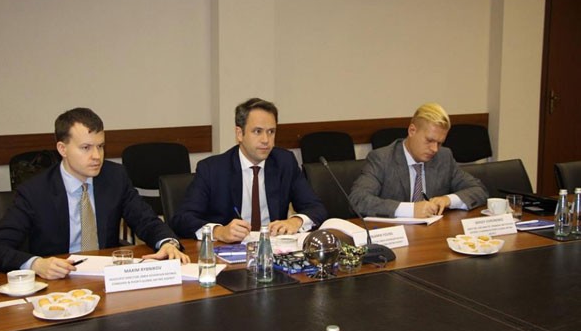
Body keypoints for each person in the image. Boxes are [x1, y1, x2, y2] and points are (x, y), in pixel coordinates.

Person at [0, 108, 190, 279]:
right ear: (62, 149)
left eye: (100, 146)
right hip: (57, 283)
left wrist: (167, 243)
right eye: (86, 148)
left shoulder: (114, 177)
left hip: (107, 277)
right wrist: (36, 264)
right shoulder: (35, 192)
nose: (97, 156)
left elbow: (145, 220)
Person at [171, 98, 327, 243]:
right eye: (257, 131)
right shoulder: (212, 169)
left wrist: (295, 221)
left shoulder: (284, 162)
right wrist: (219, 231)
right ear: (240, 134)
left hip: (274, 249)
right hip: (229, 252)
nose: (266, 140)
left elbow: (316, 208)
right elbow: (182, 219)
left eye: (271, 132)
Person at [349, 103, 488, 218]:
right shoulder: (382, 159)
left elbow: (479, 190)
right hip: (395, 236)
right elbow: (357, 200)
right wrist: (411, 210)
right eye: (429, 140)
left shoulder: (443, 157)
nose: (435, 149)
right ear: (412, 131)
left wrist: (448, 200)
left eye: (440, 143)